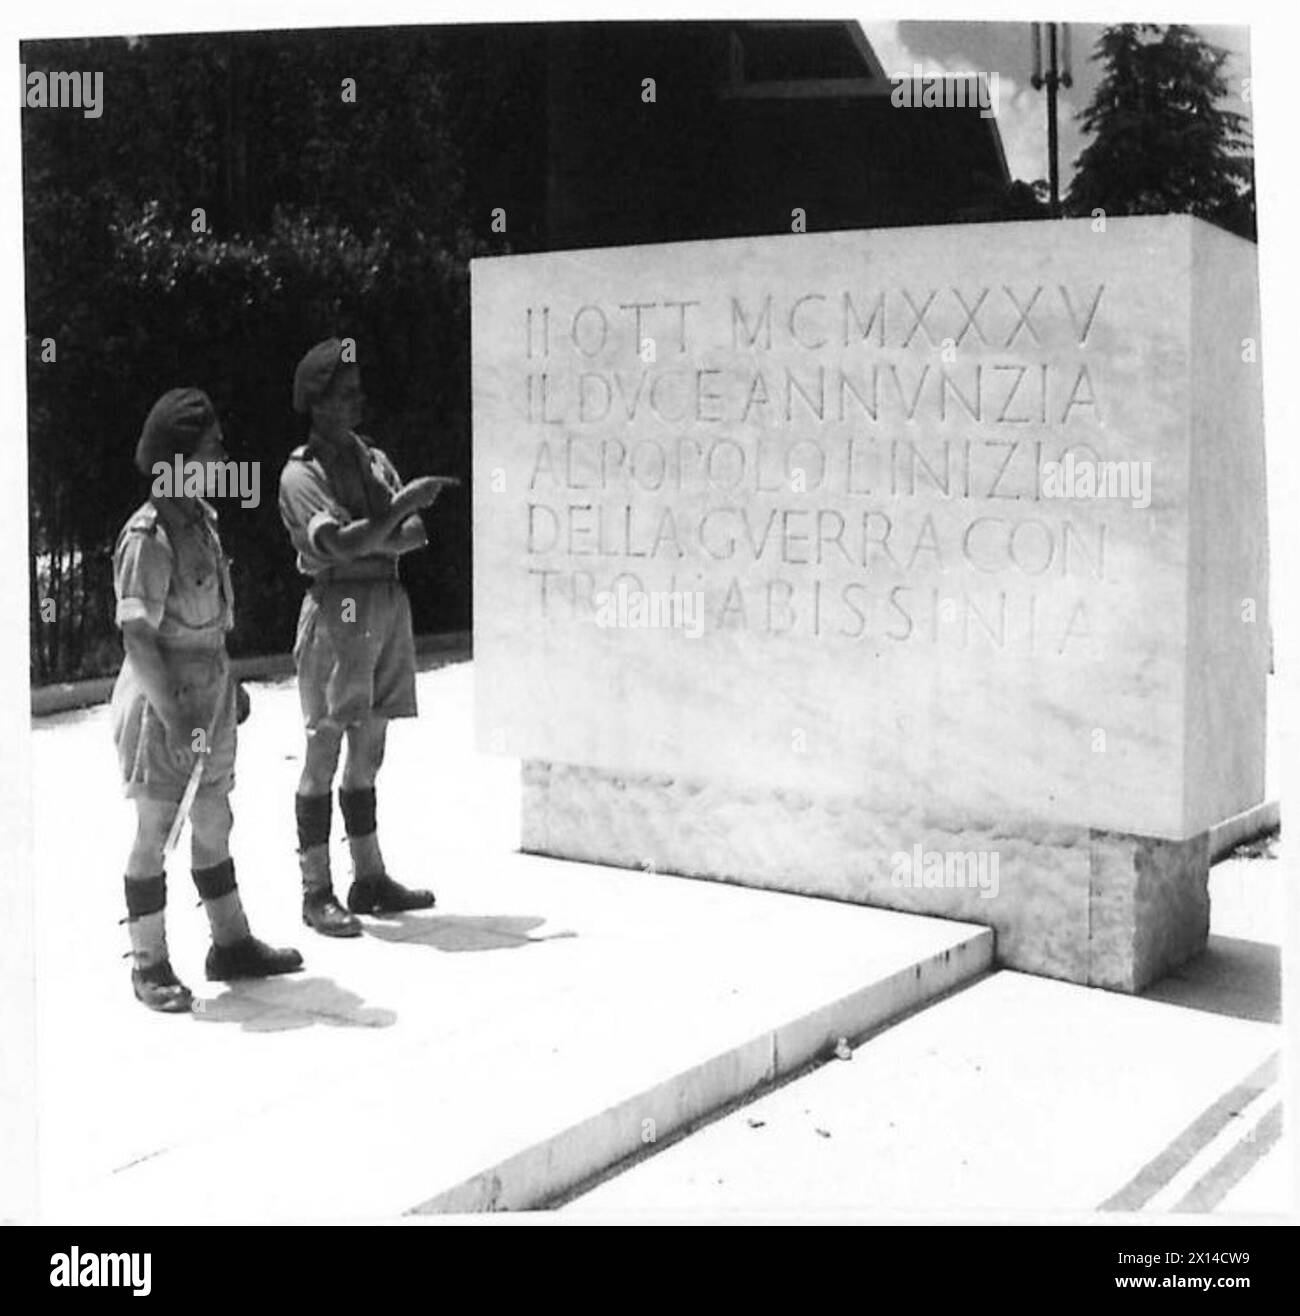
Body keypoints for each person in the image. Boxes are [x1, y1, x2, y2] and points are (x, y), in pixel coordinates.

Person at [112, 387, 304, 1013]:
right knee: (156, 826)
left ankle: (230, 942)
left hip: (209, 695)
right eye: (212, 443)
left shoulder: (200, 520)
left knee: (215, 816)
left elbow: (208, 623)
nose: (223, 451)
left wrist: (230, 685)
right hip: (166, 699)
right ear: (180, 456)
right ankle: (150, 962)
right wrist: (173, 718)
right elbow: (139, 634)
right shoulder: (149, 536)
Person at [278, 339, 447, 937]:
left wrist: (380, 527)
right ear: (317, 402)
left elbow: (417, 534)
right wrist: (395, 512)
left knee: (370, 746)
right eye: (346, 393)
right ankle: (316, 888)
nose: (359, 401)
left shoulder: (372, 458)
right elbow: (339, 546)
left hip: (384, 601)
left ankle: (368, 875)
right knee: (324, 745)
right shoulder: (302, 473)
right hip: (339, 604)